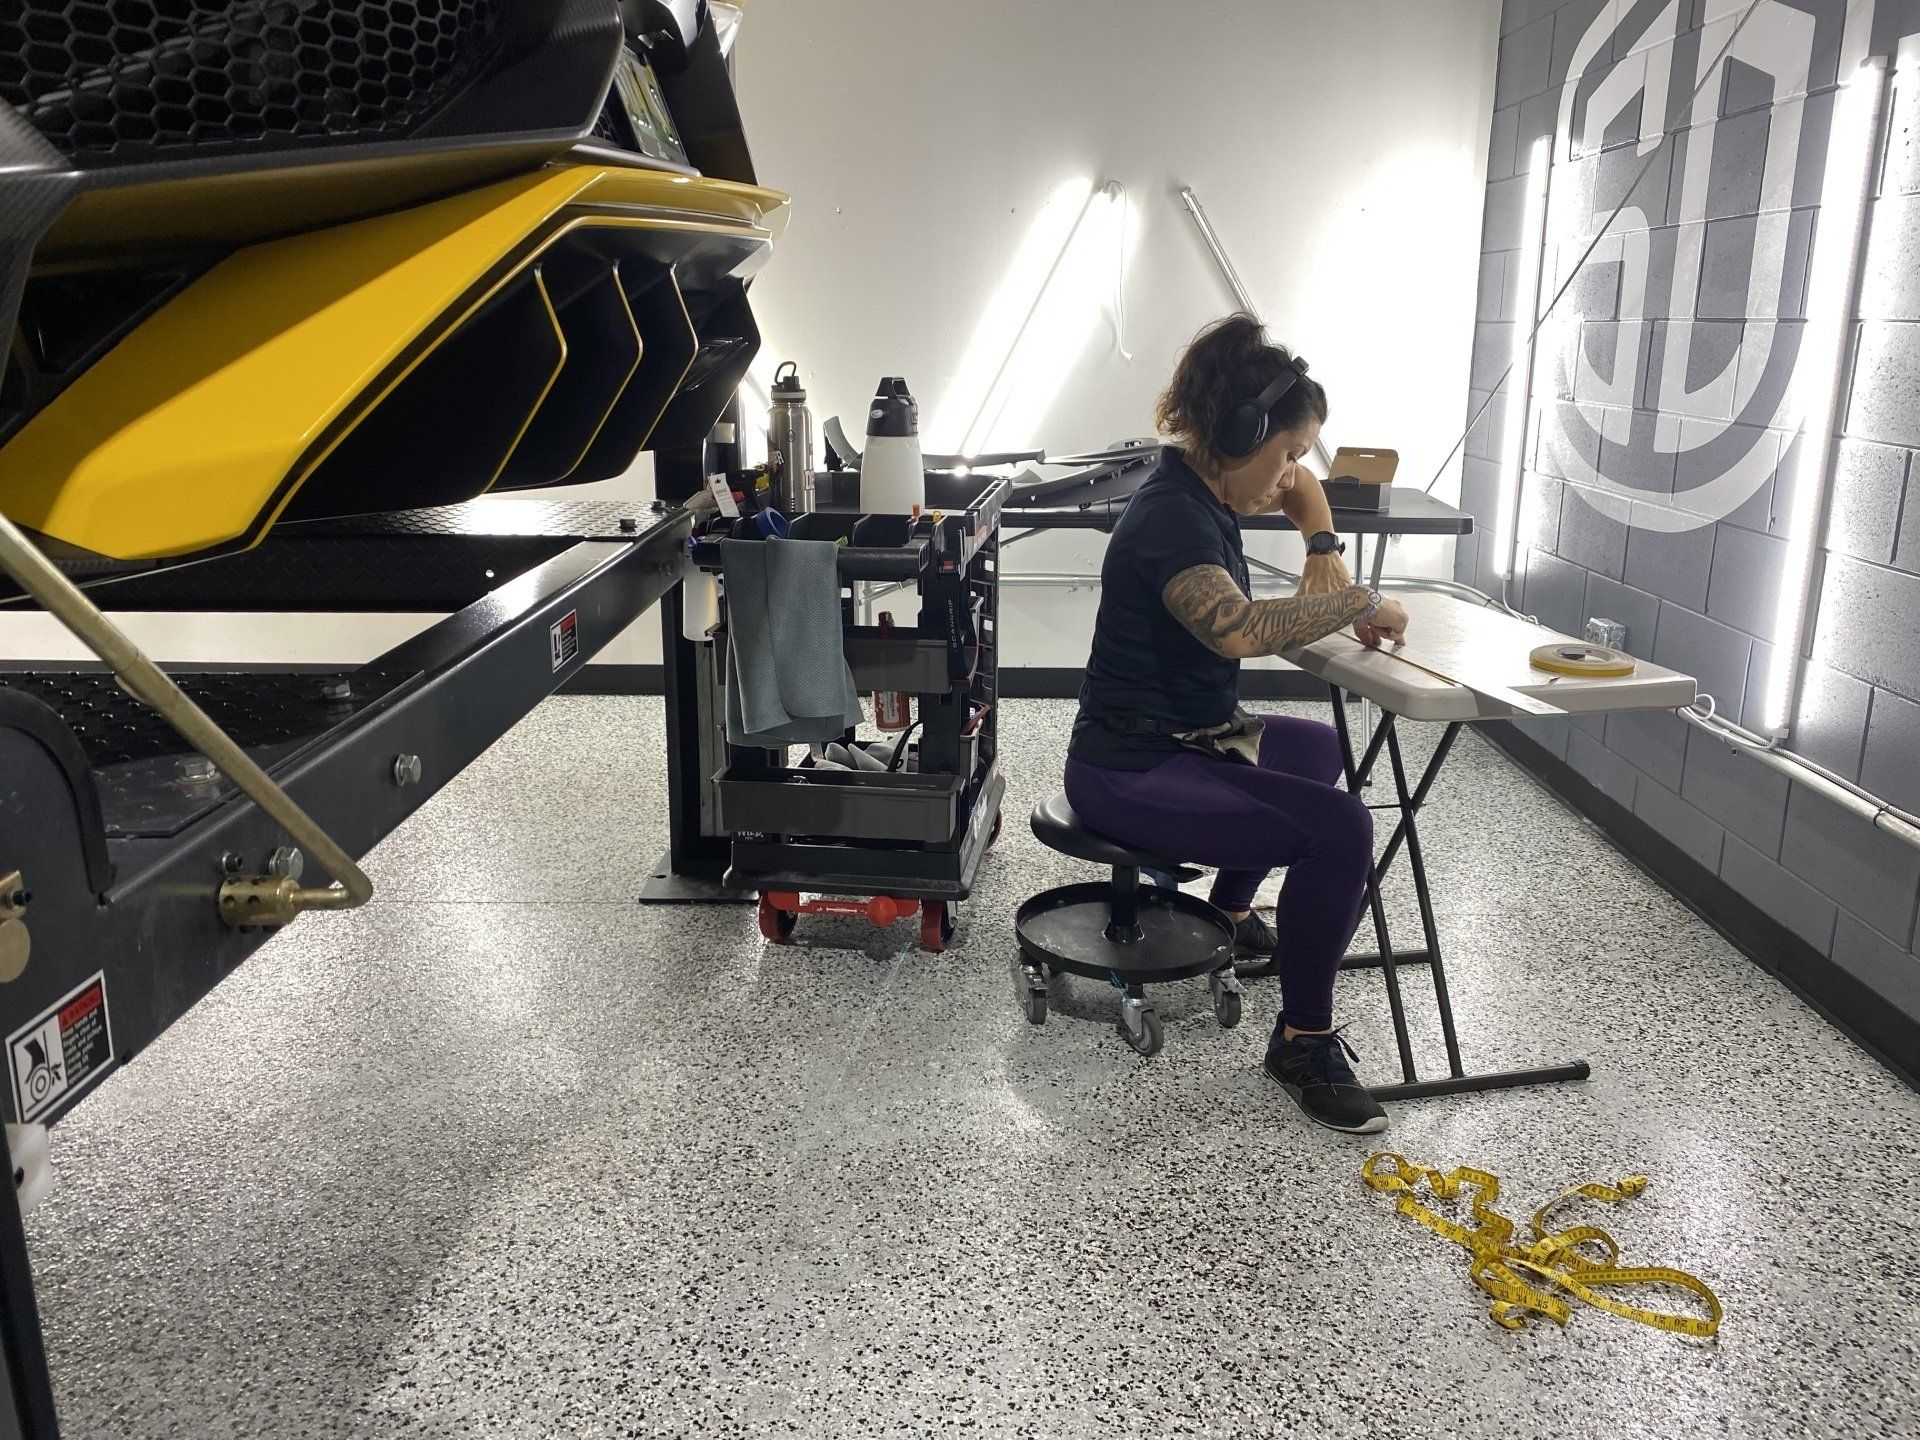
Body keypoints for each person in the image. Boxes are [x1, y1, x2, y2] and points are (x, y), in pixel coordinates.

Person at [1063, 314, 1412, 1135]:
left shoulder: (1209, 480)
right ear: (1240, 432)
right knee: (1341, 831)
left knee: (1322, 749)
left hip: (1195, 736)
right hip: (1130, 768)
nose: (1292, 470)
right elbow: (1236, 630)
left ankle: (1231, 912)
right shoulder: (1171, 520)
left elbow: (1298, 490)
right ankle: (1302, 1041)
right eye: (1287, 450)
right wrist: (1355, 597)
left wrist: (1323, 544)